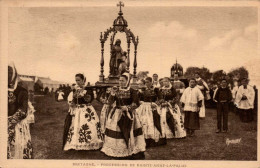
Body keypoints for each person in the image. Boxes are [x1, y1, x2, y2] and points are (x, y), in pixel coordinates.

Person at [101, 73, 146, 159]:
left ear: (128, 81)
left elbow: (136, 102)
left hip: (129, 114)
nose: (120, 82)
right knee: (118, 130)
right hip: (117, 114)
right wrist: (112, 94)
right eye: (120, 80)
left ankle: (131, 148)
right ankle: (117, 149)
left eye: (123, 80)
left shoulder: (132, 90)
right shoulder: (116, 90)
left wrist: (128, 108)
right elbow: (109, 103)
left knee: (129, 130)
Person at [63, 74, 103, 150]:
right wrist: (72, 103)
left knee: (89, 125)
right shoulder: (74, 89)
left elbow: (89, 100)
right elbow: (74, 100)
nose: (77, 82)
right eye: (76, 80)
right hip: (77, 110)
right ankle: (76, 143)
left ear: (83, 80)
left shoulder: (88, 89)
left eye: (79, 80)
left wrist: (83, 93)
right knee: (76, 125)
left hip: (86, 110)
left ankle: (90, 143)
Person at [8, 62, 33, 159]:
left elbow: (23, 110)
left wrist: (9, 122)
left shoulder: (21, 91)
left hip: (16, 125)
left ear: (14, 75)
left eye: (9, 72)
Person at [136, 77, 164, 147]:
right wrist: (140, 102)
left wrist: (156, 104)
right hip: (144, 108)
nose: (146, 84)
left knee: (153, 122)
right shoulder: (142, 90)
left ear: (151, 82)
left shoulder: (156, 89)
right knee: (144, 122)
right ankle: (145, 139)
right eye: (145, 82)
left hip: (152, 107)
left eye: (148, 82)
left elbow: (161, 99)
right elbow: (137, 99)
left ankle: (152, 140)